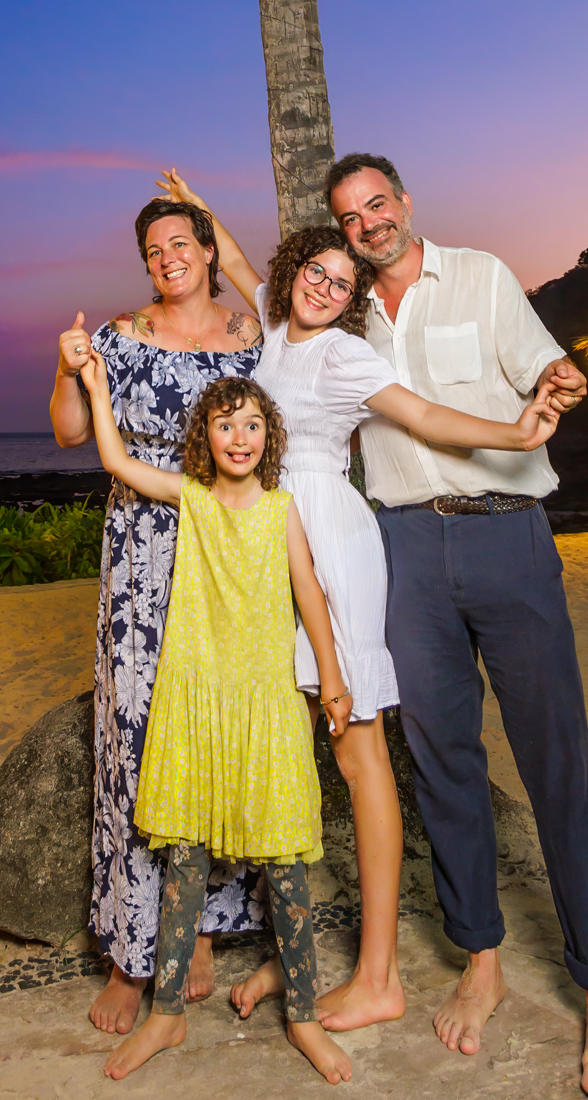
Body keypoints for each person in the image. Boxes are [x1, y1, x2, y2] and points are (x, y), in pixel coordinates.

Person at [160, 170, 562, 1039]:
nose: (325, 285)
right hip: (267, 544)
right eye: (317, 269)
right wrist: (193, 208)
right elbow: (229, 258)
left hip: (330, 542)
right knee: (295, 741)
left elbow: (424, 416)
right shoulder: (271, 320)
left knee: (357, 749)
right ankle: (297, 948)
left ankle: (379, 975)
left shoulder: (347, 354)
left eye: (343, 283)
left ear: (350, 301)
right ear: (298, 268)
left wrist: (513, 431)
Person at [325, 152, 588, 1100]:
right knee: (445, 765)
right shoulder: (345, 317)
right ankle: (481, 958)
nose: (368, 222)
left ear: (405, 204)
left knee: (557, 761)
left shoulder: (482, 275)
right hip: (404, 553)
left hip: (508, 537)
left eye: (378, 203)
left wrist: (563, 378)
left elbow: (541, 364)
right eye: (349, 217)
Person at [76, 357, 356, 1087]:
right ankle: (165, 1016)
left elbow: (312, 598)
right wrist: (99, 391)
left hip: (265, 706)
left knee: (288, 869)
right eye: (226, 424)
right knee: (185, 866)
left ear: (271, 435)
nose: (240, 436)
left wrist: (329, 676)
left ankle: (302, 1018)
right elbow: (115, 460)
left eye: (253, 424)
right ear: (206, 435)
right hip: (193, 702)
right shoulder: (193, 500)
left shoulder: (281, 510)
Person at [49, 198, 263, 1035]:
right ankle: (131, 952)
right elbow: (70, 433)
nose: (166, 256)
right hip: (143, 559)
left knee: (211, 735)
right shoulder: (119, 335)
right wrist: (68, 367)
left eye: (181, 241)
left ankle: (200, 924)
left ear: (209, 250)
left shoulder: (249, 336)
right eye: (152, 248)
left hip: (228, 558)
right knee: (136, 742)